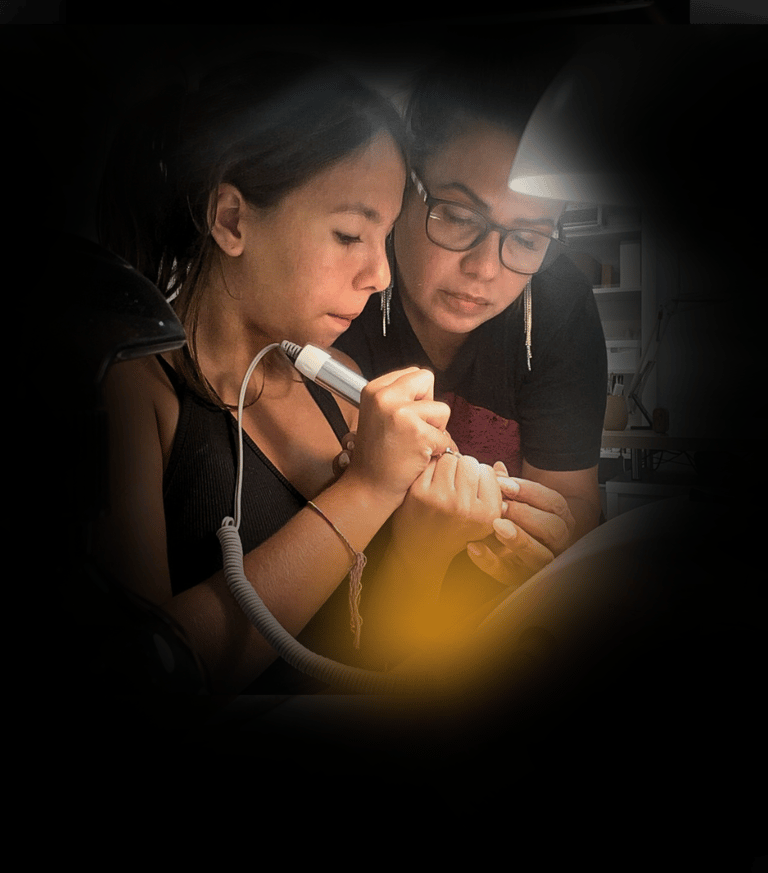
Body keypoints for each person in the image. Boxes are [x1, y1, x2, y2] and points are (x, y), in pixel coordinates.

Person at [93, 52, 508, 694]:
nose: (381, 277)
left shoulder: (337, 381)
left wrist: (430, 542)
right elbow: (140, 680)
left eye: (385, 237)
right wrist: (366, 489)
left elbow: (370, 654)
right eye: (349, 235)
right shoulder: (130, 393)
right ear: (232, 220)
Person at [337, 48, 607, 595]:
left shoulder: (558, 302)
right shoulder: (346, 285)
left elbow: (575, 500)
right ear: (403, 189)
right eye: (459, 217)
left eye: (527, 239)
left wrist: (545, 537)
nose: (485, 269)